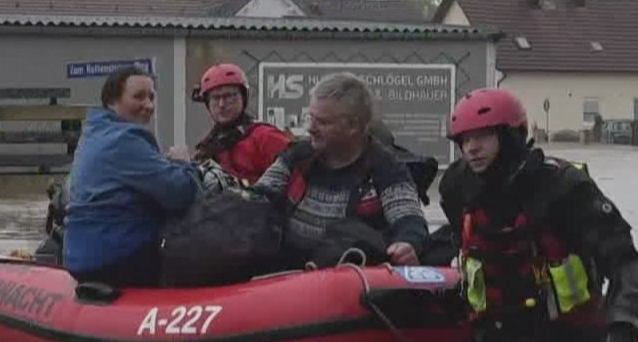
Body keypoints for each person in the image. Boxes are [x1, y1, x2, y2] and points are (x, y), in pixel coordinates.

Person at [436, 87, 638, 342]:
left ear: (511, 135)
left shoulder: (565, 188)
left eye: (482, 137)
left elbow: (626, 261)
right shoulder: (457, 188)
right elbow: (460, 243)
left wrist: (622, 329)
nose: (471, 148)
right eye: (463, 140)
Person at [251, 73, 427, 268]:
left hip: (351, 278)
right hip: (285, 272)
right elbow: (256, 199)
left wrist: (406, 244)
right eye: (311, 118)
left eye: (322, 122)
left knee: (350, 232)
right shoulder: (296, 156)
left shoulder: (387, 169)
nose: (310, 128)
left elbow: (409, 219)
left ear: (353, 126)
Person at [61, 66, 199, 286]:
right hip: (118, 257)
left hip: (80, 255)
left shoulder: (94, 133)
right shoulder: (124, 139)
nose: (149, 105)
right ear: (112, 101)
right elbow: (179, 192)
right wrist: (184, 164)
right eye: (138, 97)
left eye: (151, 97)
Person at [167, 63, 295, 186]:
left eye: (229, 96)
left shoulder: (264, 136)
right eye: (215, 98)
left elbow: (296, 175)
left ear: (243, 98)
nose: (222, 104)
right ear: (207, 103)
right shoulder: (210, 146)